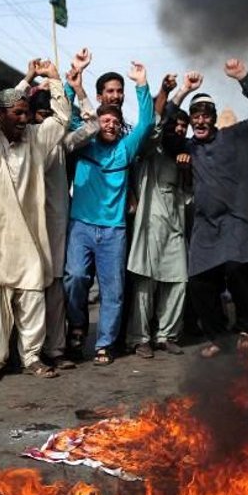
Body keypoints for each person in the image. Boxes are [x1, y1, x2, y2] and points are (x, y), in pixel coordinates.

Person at [0, 46, 71, 382]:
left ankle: (32, 358)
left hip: (29, 238)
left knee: (32, 298)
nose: (25, 119)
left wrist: (54, 80)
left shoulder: (37, 140)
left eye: (26, 113)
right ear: (2, 115)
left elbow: (62, 119)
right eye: (18, 113)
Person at [165, 60, 248, 358]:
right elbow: (165, 133)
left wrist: (243, 78)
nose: (199, 121)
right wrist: (183, 92)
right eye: (195, 117)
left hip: (239, 221)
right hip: (207, 226)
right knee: (200, 280)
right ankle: (218, 336)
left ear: (213, 119)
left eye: (205, 116)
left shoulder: (234, 137)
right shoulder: (190, 148)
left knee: (237, 269)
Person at [64, 61, 155, 366]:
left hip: (114, 230)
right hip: (81, 226)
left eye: (115, 122)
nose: (110, 124)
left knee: (113, 291)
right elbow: (64, 116)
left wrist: (142, 84)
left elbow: (145, 124)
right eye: (105, 120)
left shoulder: (125, 150)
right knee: (75, 278)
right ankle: (77, 327)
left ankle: (104, 344)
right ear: (96, 122)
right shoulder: (85, 144)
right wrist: (71, 84)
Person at [16, 49, 97, 370]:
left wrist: (65, 84)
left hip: (54, 225)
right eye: (36, 114)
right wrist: (28, 80)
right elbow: (4, 110)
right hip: (22, 224)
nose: (41, 119)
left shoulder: (61, 144)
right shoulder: (12, 140)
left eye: (46, 113)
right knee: (23, 288)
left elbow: (90, 127)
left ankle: (55, 349)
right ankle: (21, 352)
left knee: (54, 287)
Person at [126, 73, 190, 358]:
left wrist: (187, 168)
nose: (176, 129)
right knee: (145, 284)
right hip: (148, 226)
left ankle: (166, 335)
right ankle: (140, 338)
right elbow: (154, 124)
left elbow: (188, 195)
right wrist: (173, 92)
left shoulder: (183, 154)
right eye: (172, 123)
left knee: (178, 280)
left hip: (174, 226)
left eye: (181, 127)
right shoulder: (148, 150)